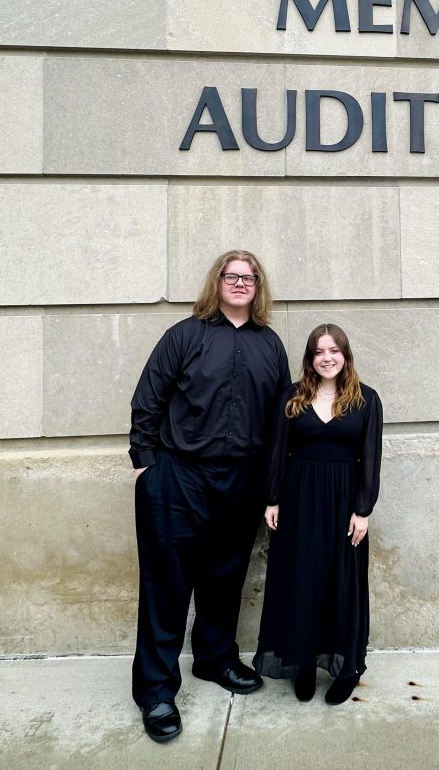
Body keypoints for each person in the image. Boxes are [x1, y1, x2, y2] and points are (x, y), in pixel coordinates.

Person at [129, 249, 291, 744]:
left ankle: (216, 660)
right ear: (217, 281)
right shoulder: (185, 335)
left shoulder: (271, 345)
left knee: (226, 577)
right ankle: (157, 692)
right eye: (232, 275)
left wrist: (272, 487)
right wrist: (148, 465)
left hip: (241, 481)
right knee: (167, 585)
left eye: (250, 277)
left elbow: (281, 420)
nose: (241, 283)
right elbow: (148, 398)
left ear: (258, 286)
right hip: (179, 476)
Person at [253, 323, 383, 705]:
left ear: (345, 356)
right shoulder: (292, 398)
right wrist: (272, 499)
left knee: (342, 583)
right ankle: (303, 662)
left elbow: (370, 462)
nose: (327, 358)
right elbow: (277, 451)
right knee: (301, 580)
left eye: (334, 351)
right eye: (319, 351)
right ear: (311, 358)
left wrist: (363, 510)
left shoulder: (366, 400)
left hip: (344, 504)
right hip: (298, 501)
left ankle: (347, 669)